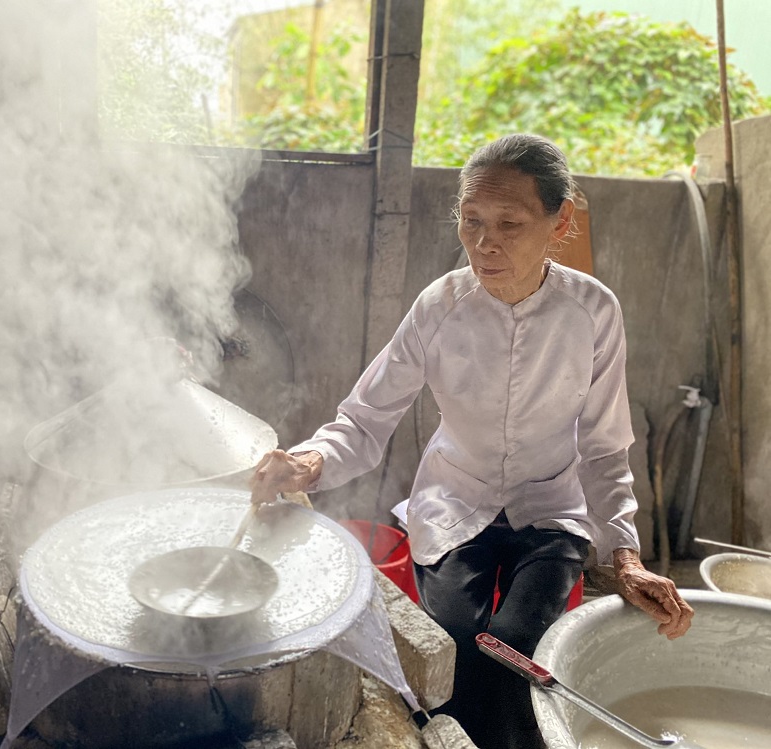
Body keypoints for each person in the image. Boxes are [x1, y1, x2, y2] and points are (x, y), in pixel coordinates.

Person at [249, 133, 694, 748]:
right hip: (455, 501)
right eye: (472, 220)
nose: (485, 243)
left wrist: (624, 558)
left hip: (552, 510)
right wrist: (306, 462)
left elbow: (603, 447)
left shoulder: (593, 311)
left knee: (515, 652)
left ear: (559, 223)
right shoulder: (439, 307)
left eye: (510, 223)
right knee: (451, 651)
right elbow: (365, 417)